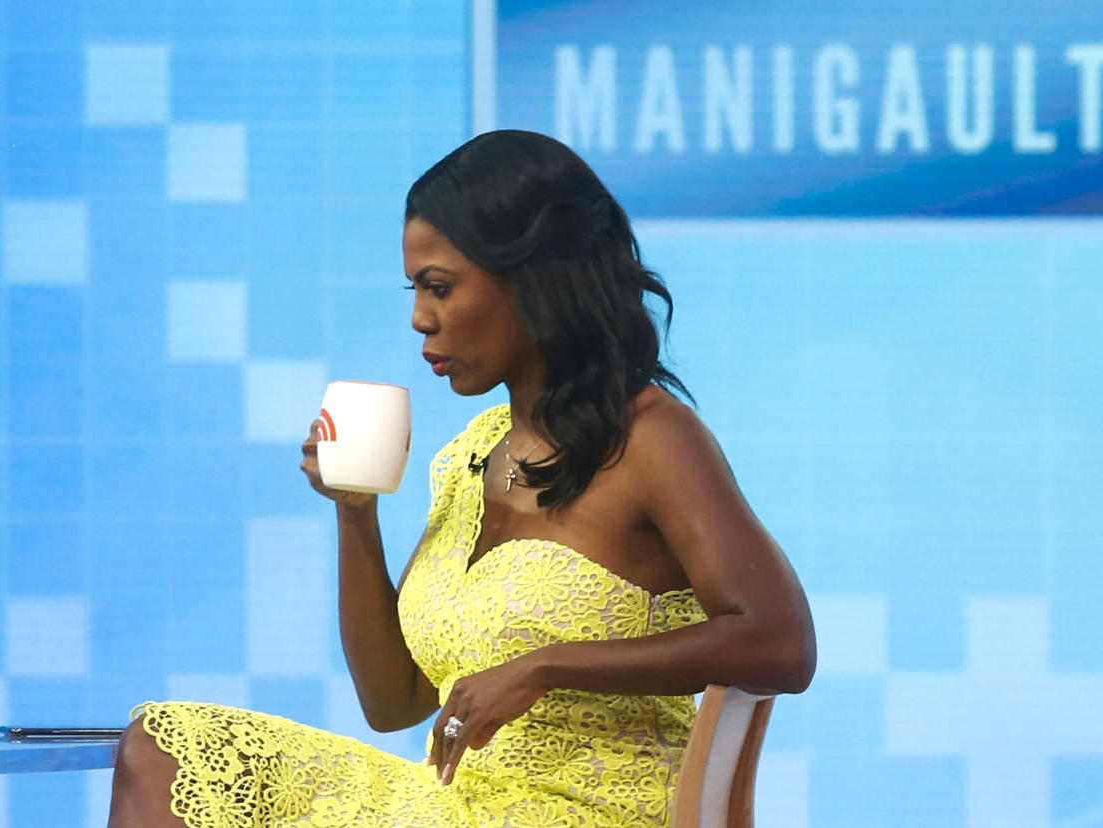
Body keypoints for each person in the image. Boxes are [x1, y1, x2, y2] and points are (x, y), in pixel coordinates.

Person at [107, 129, 816, 828]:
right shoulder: (474, 456)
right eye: (416, 290)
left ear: (531, 278)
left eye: (439, 288)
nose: (420, 319)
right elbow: (395, 702)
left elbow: (780, 643)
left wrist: (547, 665)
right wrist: (355, 514)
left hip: (587, 813)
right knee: (168, 744)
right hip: (453, 806)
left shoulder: (653, 438)